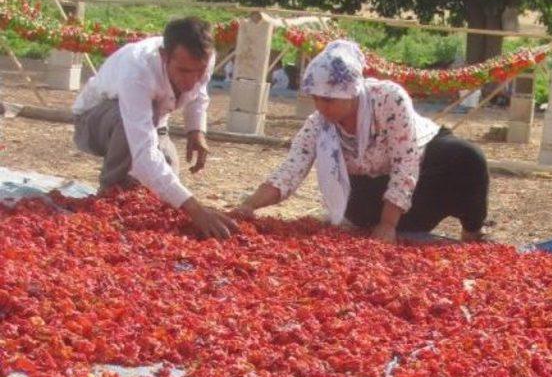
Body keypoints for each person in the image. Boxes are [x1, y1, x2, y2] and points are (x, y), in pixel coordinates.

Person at [236, 39, 489, 244]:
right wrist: (249, 206)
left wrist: (388, 223)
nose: (322, 107)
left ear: (352, 93)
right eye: (317, 99)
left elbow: (406, 162)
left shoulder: (388, 98)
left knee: (466, 158)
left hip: (423, 167)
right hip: (372, 187)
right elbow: (290, 170)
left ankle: (472, 232)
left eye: (330, 99)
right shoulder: (318, 124)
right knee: (361, 212)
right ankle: (398, 222)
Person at [73, 16, 236, 239]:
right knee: (136, 147)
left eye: (199, 71)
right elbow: (143, 152)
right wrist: (196, 210)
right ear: (164, 56)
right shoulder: (137, 71)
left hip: (154, 121)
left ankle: (125, 191)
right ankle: (107, 199)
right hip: (95, 122)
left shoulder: (203, 58)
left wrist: (196, 130)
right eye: (184, 71)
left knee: (166, 170)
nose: (192, 80)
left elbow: (199, 93)